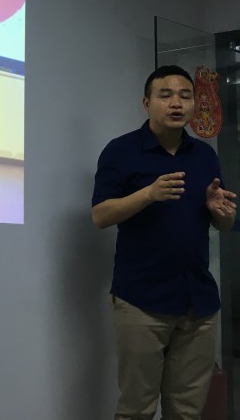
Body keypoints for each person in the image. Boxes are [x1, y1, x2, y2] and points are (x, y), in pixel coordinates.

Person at [92, 65, 237, 420]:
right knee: (137, 409)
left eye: (185, 96)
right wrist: (149, 194)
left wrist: (219, 210)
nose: (176, 103)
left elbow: (223, 223)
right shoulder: (121, 151)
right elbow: (100, 215)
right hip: (141, 300)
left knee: (186, 411)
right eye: (166, 95)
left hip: (198, 302)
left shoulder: (204, 155)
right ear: (146, 103)